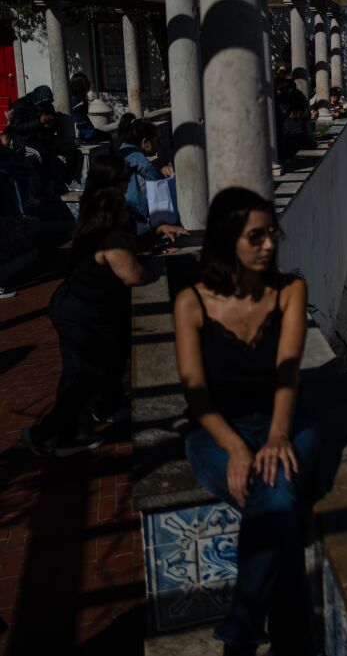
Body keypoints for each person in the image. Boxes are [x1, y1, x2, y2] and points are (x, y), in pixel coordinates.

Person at [174, 188, 317, 656]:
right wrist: (236, 448)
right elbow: (195, 391)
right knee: (280, 504)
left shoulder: (290, 292)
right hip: (215, 432)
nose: (269, 245)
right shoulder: (191, 303)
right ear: (226, 240)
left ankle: (242, 629)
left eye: (272, 234)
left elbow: (288, 372)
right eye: (255, 236)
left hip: (286, 422)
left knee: (275, 491)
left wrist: (277, 435)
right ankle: (293, 639)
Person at [20, 186, 144, 457]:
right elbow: (134, 275)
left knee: (77, 375)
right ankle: (46, 435)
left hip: (71, 308)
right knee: (87, 376)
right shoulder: (110, 240)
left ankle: (67, 433)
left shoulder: (91, 233)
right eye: (123, 208)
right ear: (113, 213)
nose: (128, 211)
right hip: (81, 317)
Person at [116, 117, 174, 229]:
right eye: (158, 141)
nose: (158, 145)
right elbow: (149, 171)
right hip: (134, 212)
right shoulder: (133, 153)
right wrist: (164, 179)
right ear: (145, 143)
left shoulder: (123, 149)